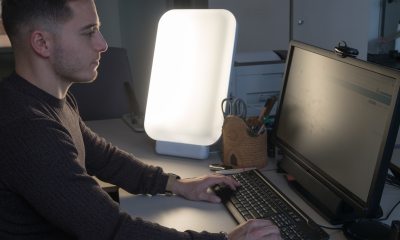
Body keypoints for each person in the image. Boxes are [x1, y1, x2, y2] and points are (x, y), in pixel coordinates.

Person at [0, 0, 281, 239]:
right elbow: (113, 231)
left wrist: (175, 184)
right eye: (89, 32)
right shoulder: (28, 128)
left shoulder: (48, 99)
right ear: (42, 43)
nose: (103, 44)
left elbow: (103, 157)